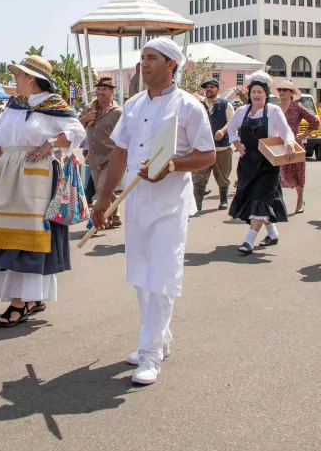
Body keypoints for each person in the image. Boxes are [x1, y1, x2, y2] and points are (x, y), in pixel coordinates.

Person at [89, 39, 216, 386]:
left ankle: (150, 352)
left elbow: (207, 155)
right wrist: (103, 199)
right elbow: (119, 153)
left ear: (171, 64)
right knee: (141, 273)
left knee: (161, 273)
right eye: (142, 58)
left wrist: (172, 164)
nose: (143, 64)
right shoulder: (131, 105)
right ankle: (158, 338)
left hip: (170, 203)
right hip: (135, 199)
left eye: (151, 58)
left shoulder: (189, 106)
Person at [0, 57, 83, 326]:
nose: (15, 80)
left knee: (27, 236)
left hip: (37, 177)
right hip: (9, 172)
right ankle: (32, 296)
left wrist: (50, 145)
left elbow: (77, 132)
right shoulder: (15, 105)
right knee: (7, 231)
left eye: (18, 75)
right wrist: (3, 157)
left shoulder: (54, 105)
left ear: (30, 78)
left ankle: (20, 301)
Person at [226, 72, 297, 254]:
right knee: (256, 199)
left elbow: (286, 131)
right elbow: (231, 127)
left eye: (260, 92)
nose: (256, 95)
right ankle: (272, 233)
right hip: (248, 164)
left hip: (268, 164)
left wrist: (289, 142)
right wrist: (235, 142)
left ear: (266, 94)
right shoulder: (242, 111)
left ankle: (249, 240)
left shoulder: (274, 111)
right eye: (253, 92)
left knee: (260, 198)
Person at [80, 76, 123, 224]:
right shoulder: (89, 108)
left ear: (111, 92)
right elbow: (77, 126)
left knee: (100, 188)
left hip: (110, 158)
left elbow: (125, 136)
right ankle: (115, 216)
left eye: (104, 89)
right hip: (93, 157)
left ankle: (100, 220)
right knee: (105, 191)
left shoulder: (118, 112)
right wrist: (85, 119)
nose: (100, 92)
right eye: (98, 89)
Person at [276, 79, 320, 214]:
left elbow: (314, 121)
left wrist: (303, 135)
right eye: (280, 90)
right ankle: (277, 204)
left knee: (298, 174)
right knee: (276, 175)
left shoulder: (297, 106)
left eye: (285, 90)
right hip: (278, 144)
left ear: (292, 93)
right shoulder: (275, 107)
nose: (282, 92)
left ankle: (300, 201)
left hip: (295, 145)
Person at [192, 78, 235, 213]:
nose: (208, 90)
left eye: (211, 87)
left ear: (217, 89)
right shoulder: (199, 105)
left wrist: (222, 131)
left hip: (222, 147)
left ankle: (223, 200)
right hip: (203, 148)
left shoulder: (226, 104)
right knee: (199, 176)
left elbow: (232, 121)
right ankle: (197, 203)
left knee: (223, 175)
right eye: (206, 88)